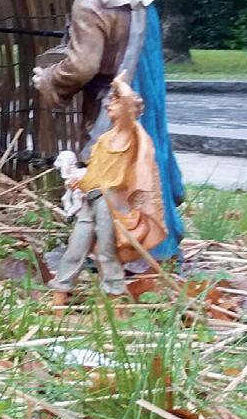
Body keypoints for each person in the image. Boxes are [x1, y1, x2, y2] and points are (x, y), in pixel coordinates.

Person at [33, 0, 183, 260]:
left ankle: (115, 251)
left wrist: (49, 79)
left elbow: (82, 65)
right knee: (140, 165)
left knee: (106, 170)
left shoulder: (89, 3)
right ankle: (149, 244)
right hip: (137, 96)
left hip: (110, 101)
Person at [50, 73, 167, 307]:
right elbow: (96, 172)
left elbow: (127, 102)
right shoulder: (105, 140)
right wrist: (80, 181)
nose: (108, 104)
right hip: (91, 200)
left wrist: (119, 84)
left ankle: (114, 300)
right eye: (110, 100)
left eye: (114, 100)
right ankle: (59, 296)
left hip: (110, 202)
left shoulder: (129, 135)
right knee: (76, 248)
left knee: (107, 252)